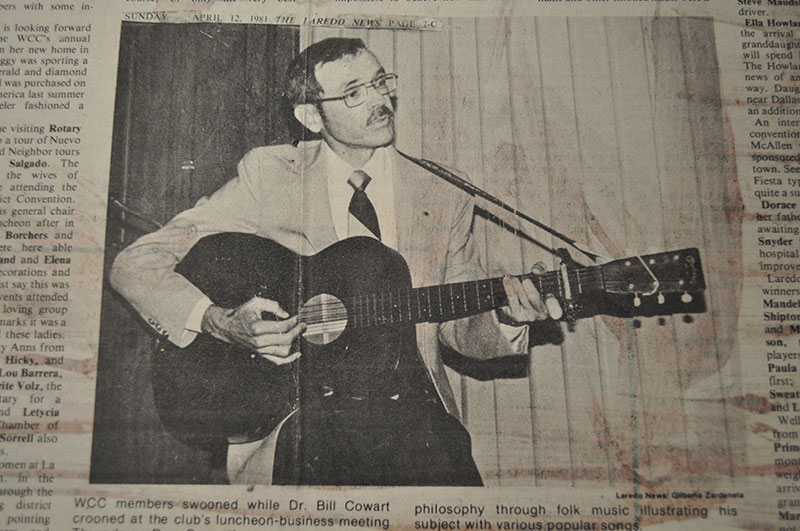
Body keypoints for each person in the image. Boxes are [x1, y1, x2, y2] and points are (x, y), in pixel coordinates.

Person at [110, 37, 549, 486]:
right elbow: (137, 263)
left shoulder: (441, 192)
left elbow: (458, 327)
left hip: (419, 422)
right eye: (354, 92)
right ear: (311, 116)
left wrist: (506, 317)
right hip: (299, 415)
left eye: (380, 83)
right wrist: (217, 321)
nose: (380, 100)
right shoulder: (269, 175)